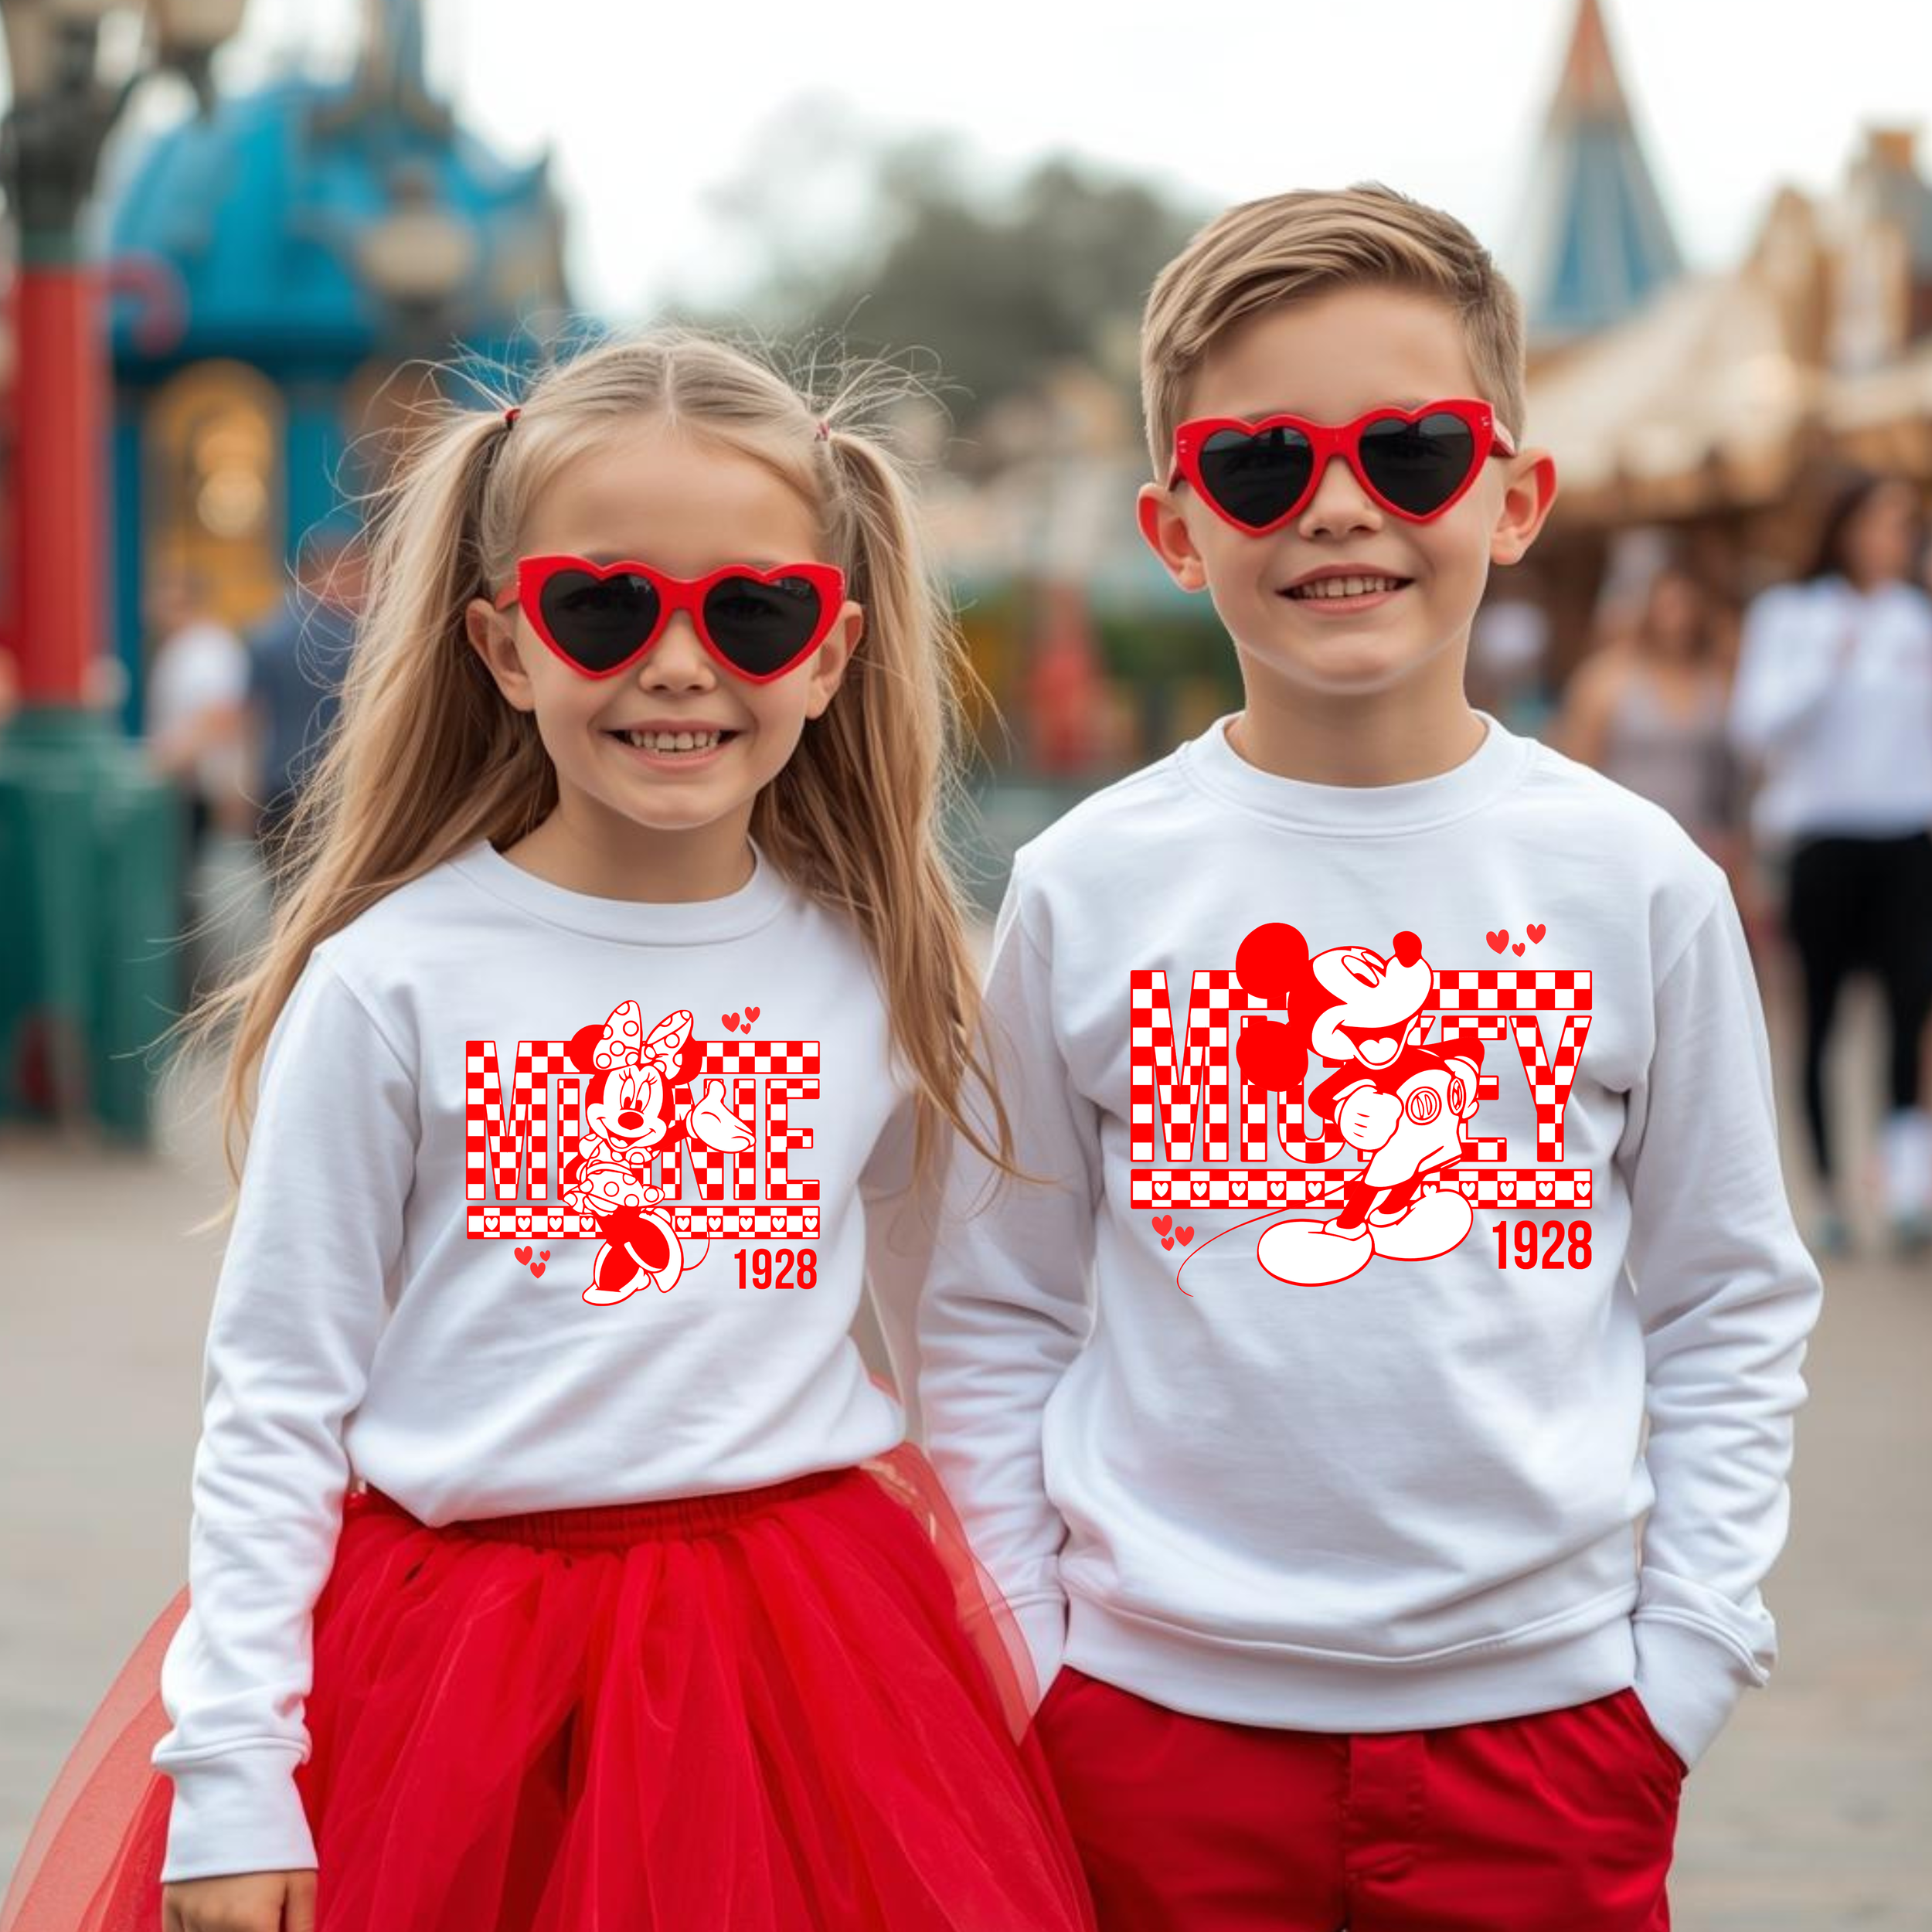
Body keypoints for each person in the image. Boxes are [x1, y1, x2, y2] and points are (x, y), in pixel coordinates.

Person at [0, 331, 1094, 1932]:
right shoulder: (391, 982)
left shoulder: (877, 972)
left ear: (831, 649)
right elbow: (276, 1396)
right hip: (448, 1678)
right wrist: (234, 1759)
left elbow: (953, 1345)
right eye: (604, 605)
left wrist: (1028, 1648)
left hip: (809, 1676)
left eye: (751, 610)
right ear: (504, 645)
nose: (675, 663)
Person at [917, 184, 1824, 1930]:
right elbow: (992, 1307)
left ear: (1514, 492)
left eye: (1409, 449)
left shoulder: (1633, 879)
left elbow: (1727, 1293)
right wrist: (1033, 1660)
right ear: (1176, 528)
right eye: (1262, 465)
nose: (1339, 504)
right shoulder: (1086, 884)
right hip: (1152, 1732)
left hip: (1549, 1740)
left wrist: (1684, 1664)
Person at [1730, 472, 1932, 1258]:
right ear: (1844, 527)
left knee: (1908, 1008)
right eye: (1878, 523)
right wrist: (1827, 665)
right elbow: (1755, 728)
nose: (1889, 539)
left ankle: (1908, 1184)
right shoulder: (1792, 615)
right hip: (1820, 840)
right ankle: (1828, 1192)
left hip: (1906, 840)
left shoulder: (1917, 616)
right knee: (1818, 1016)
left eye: (1902, 525)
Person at [1554, 560, 1743, 875]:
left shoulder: (1716, 677)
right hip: (1621, 843)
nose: (1676, 619)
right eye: (1668, 605)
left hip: (1699, 843)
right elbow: (1577, 764)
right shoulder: (1606, 679)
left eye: (1687, 605)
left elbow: (1734, 771)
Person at [243, 522, 364, 864]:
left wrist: (245, 792)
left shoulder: (265, 634)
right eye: (356, 573)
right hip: (344, 788)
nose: (365, 587)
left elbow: (252, 720)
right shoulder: (360, 637)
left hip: (278, 788)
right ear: (326, 573)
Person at [142, 567, 251, 860]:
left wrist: (161, 762)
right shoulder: (181, 647)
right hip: (185, 790)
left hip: (202, 791)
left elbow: (220, 716)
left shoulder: (207, 648)